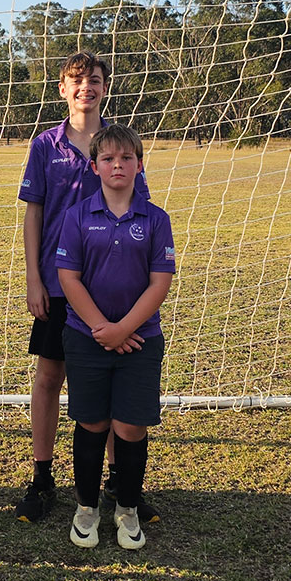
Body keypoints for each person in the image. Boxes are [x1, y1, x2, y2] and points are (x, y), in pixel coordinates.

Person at [13, 52, 156, 525]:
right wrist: (34, 277)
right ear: (62, 88)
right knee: (50, 376)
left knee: (113, 379)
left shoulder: (120, 143)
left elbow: (140, 208)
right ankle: (42, 477)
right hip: (60, 284)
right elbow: (34, 211)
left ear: (105, 87)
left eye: (94, 79)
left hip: (114, 287)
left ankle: (117, 479)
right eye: (76, 80)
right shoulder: (45, 144)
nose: (85, 87)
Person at [54, 124, 176, 550]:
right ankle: (86, 507)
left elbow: (160, 282)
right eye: (108, 159)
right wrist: (101, 330)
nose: (117, 165)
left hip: (140, 340)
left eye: (126, 158)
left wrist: (123, 330)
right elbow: (68, 278)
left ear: (140, 165)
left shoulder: (156, 219)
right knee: (92, 422)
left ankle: (127, 508)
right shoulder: (77, 216)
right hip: (85, 337)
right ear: (95, 167)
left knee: (129, 426)